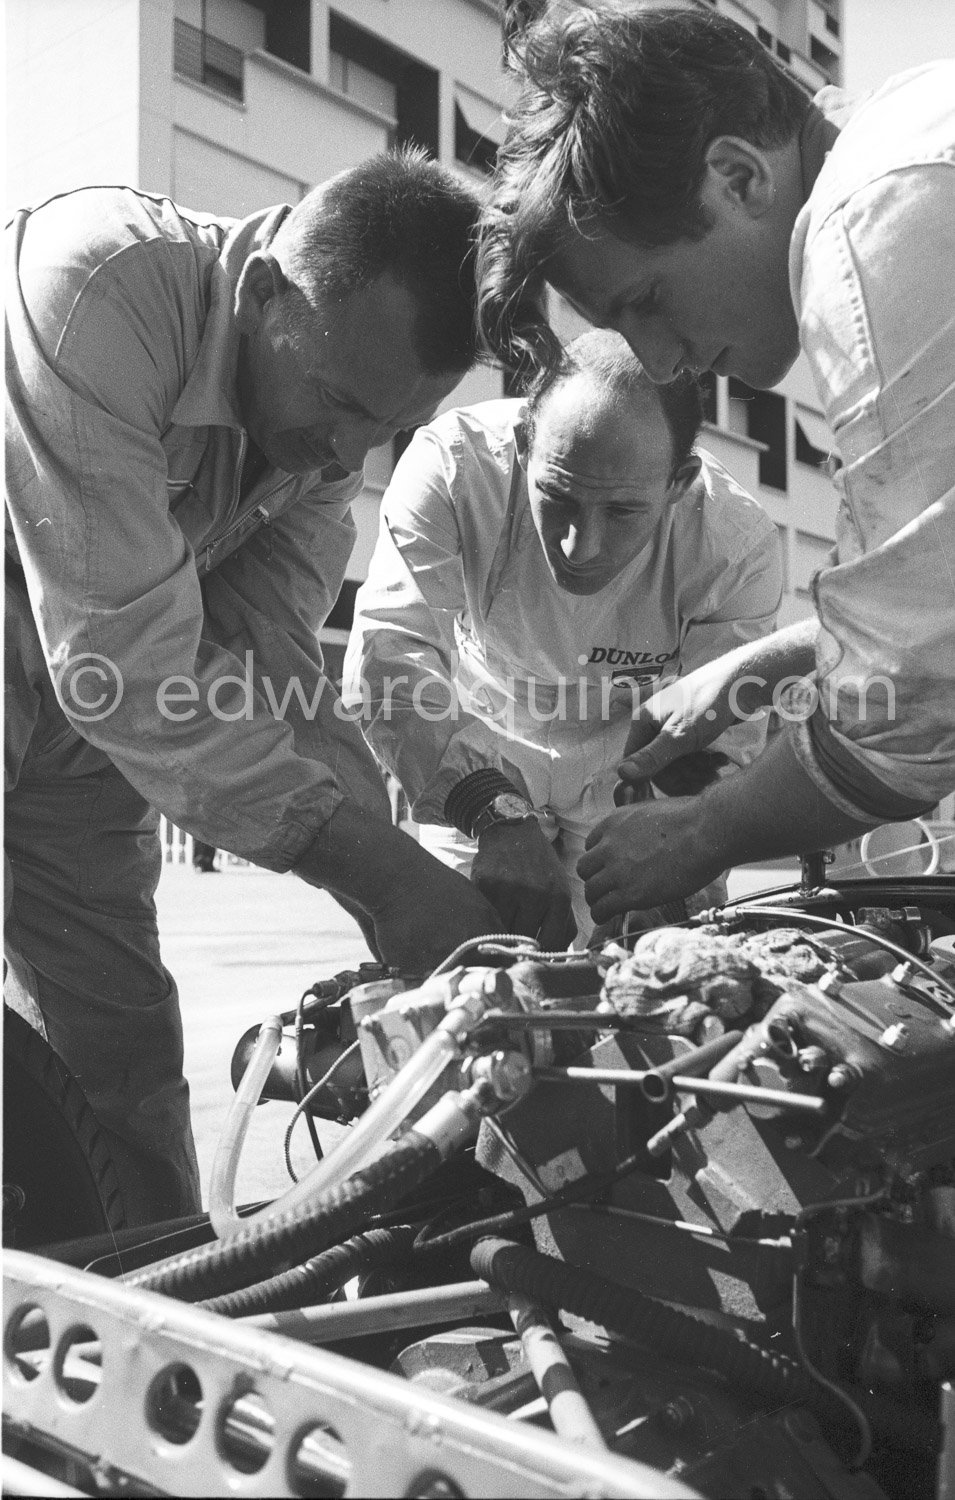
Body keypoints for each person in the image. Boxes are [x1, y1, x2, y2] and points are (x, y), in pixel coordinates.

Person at [5, 149, 501, 1225]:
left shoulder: (321, 445)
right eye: (335, 402)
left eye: (387, 425)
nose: (347, 452)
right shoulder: (100, 283)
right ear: (264, 290)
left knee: (121, 1058)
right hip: (65, 666)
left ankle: (158, 1317)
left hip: (79, 740)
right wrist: (379, 868)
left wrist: (398, 885)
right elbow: (123, 658)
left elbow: (276, 666)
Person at [476, 2, 955, 925]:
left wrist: (705, 832)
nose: (658, 364)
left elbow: (906, 712)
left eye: (647, 299)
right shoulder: (913, 131)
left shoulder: (872, 219)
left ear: (738, 177)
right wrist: (752, 670)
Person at [344, 330, 782, 946]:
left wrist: (680, 841)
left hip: (629, 762)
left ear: (678, 484)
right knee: (463, 966)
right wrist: (486, 805)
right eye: (558, 496)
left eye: (623, 511)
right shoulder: (452, 466)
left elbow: (717, 728)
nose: (581, 546)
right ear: (524, 445)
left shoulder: (733, 545)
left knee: (656, 973)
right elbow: (391, 652)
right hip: (478, 741)